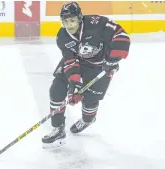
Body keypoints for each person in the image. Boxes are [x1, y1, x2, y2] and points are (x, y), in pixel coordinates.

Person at [42, 2, 131, 149]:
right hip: (79, 62)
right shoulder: (62, 36)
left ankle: (88, 119)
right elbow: (70, 60)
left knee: (91, 99)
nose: (69, 25)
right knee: (57, 88)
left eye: (72, 20)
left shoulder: (97, 23)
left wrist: (113, 59)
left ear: (79, 18)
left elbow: (120, 34)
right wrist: (74, 84)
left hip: (101, 65)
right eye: (65, 21)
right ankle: (58, 129)